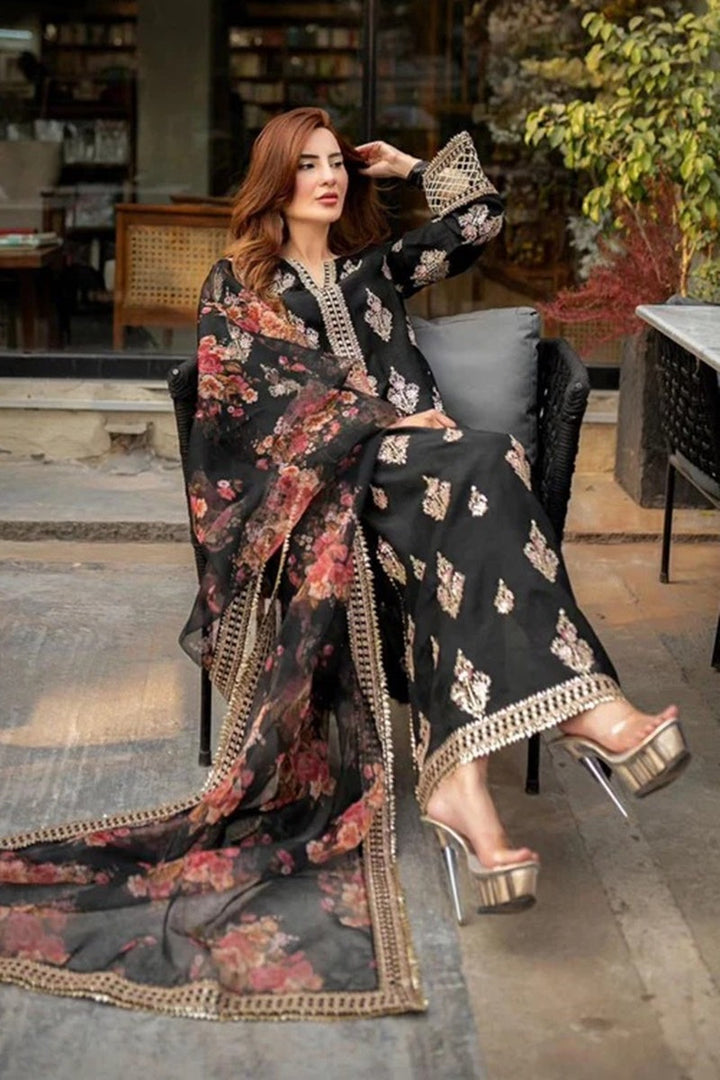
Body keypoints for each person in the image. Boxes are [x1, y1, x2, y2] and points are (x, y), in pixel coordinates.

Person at [0, 108, 689, 1021]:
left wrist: (411, 167)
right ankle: (585, 714)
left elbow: (479, 222)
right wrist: (383, 423)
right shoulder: (241, 286)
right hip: (330, 497)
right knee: (485, 459)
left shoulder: (377, 270)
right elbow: (240, 413)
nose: (327, 178)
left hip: (429, 481)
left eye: (337, 164)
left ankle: (465, 794)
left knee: (475, 478)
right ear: (275, 180)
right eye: (308, 165)